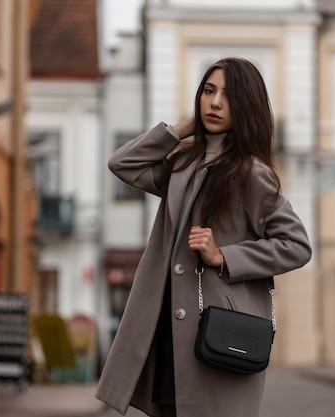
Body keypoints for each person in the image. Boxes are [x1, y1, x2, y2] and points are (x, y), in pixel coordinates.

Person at [96, 57, 312, 417]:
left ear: (246, 106)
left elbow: (297, 246)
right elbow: (123, 163)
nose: (215, 103)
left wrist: (223, 256)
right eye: (209, 91)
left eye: (228, 96)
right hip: (170, 332)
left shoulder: (251, 174)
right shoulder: (182, 166)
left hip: (216, 336)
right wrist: (183, 128)